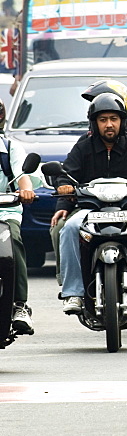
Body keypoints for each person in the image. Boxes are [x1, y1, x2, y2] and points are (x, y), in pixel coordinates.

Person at [51, 94, 127, 315]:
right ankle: (73, 293)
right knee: (68, 229)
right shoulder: (83, 148)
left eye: (113, 118)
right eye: (103, 119)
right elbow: (66, 175)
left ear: (122, 121)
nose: (108, 124)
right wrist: (64, 192)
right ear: (94, 123)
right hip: (90, 207)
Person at [0, 102, 39, 334]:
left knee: (13, 241)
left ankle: (20, 305)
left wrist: (25, 190)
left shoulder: (10, 147)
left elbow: (23, 176)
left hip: (5, 211)